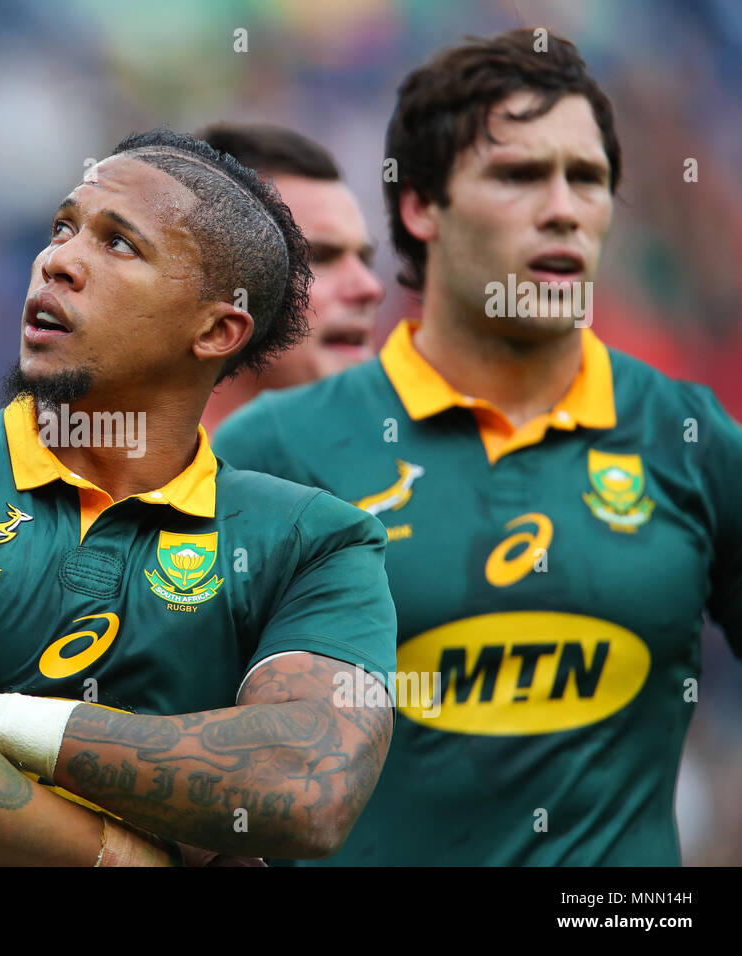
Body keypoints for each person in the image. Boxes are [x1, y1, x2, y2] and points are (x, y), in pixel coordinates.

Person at [214, 28, 742, 864]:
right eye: (519, 175)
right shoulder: (277, 451)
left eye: (590, 180)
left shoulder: (690, 438)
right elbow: (182, 742)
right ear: (421, 205)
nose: (564, 206)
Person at [0, 129, 397, 865]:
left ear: (216, 329)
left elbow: (305, 784)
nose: (58, 261)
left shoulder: (313, 541)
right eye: (63, 228)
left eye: (119, 245)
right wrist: (129, 856)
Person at [197, 123, 385, 431]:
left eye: (365, 260)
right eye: (320, 257)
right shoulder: (100, 465)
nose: (371, 288)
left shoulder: (405, 465)